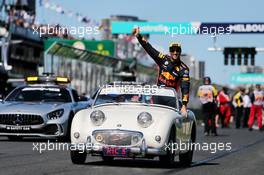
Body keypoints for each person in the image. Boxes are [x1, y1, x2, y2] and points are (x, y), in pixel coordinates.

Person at [132, 27, 190, 117]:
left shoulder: (184, 69)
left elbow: (185, 89)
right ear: (170, 51)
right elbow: (149, 48)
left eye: (177, 50)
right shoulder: (163, 59)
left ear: (180, 52)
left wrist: (184, 106)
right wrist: (139, 36)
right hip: (158, 94)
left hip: (171, 97)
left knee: (173, 118)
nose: (175, 52)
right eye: (172, 50)